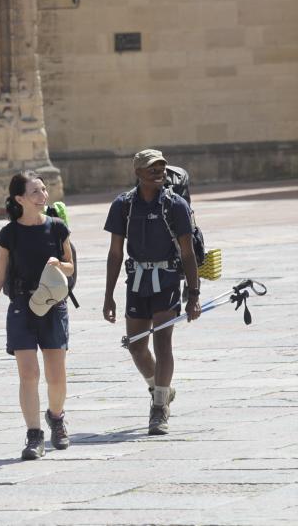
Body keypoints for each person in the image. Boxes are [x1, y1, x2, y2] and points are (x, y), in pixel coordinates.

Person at [103, 149, 201, 435]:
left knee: (162, 342)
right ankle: (160, 388)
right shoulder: (123, 206)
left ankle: (159, 409)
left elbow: (188, 253)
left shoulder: (176, 205)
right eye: (151, 168)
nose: (158, 171)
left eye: (161, 167)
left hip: (168, 280)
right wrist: (108, 295)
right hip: (136, 281)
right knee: (135, 345)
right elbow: (114, 253)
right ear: (138, 173)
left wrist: (193, 294)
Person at [0, 171, 74, 460]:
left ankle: (56, 417)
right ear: (20, 198)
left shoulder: (57, 227)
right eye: (35, 192)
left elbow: (70, 267)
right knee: (28, 373)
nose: (42, 195)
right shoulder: (9, 233)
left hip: (53, 306)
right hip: (21, 306)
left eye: (43, 190)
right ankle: (34, 435)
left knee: (56, 377)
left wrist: (60, 263)